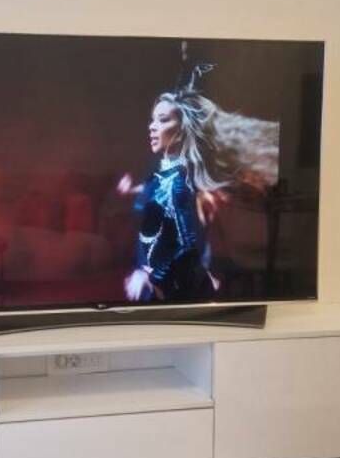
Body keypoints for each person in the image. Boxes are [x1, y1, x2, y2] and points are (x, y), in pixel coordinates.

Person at [116, 67, 278, 302]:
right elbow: (157, 212)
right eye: (153, 119)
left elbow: (188, 246)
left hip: (170, 292)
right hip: (151, 288)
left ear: (182, 130)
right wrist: (133, 191)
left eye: (163, 120)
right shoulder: (162, 173)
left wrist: (152, 279)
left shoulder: (180, 184)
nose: (152, 126)